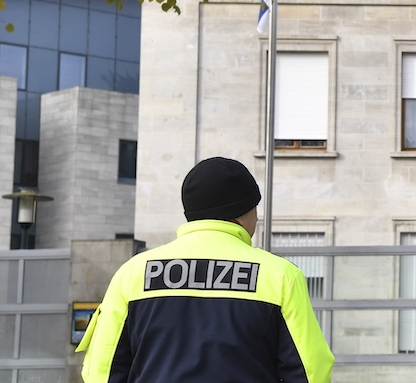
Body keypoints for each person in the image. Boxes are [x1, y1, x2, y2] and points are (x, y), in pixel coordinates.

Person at [76, 157, 334, 383]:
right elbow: (311, 372)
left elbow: (102, 371)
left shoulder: (132, 274)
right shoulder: (281, 276)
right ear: (244, 212)